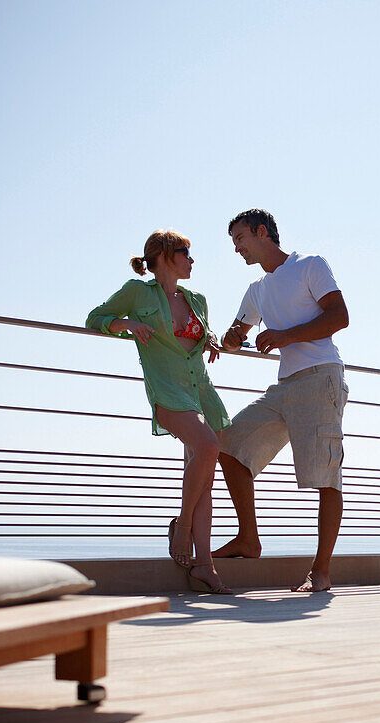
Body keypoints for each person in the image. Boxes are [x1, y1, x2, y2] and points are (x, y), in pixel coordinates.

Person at [86, 229, 233, 594]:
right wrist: (127, 324)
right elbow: (95, 317)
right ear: (166, 255)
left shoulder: (197, 298)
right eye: (186, 252)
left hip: (202, 392)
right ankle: (182, 528)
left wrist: (210, 338)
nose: (193, 260)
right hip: (168, 392)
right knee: (209, 448)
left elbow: (198, 335)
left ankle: (205, 566)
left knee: (205, 481)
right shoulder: (138, 293)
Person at [217, 209, 350, 593]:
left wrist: (285, 336)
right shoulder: (257, 289)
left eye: (240, 238)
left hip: (321, 378)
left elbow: (340, 316)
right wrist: (229, 337)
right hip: (284, 386)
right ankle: (248, 539)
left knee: (326, 477)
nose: (237, 247)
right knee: (229, 447)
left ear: (262, 233)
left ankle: (320, 572)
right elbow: (239, 331)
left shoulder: (309, 264)